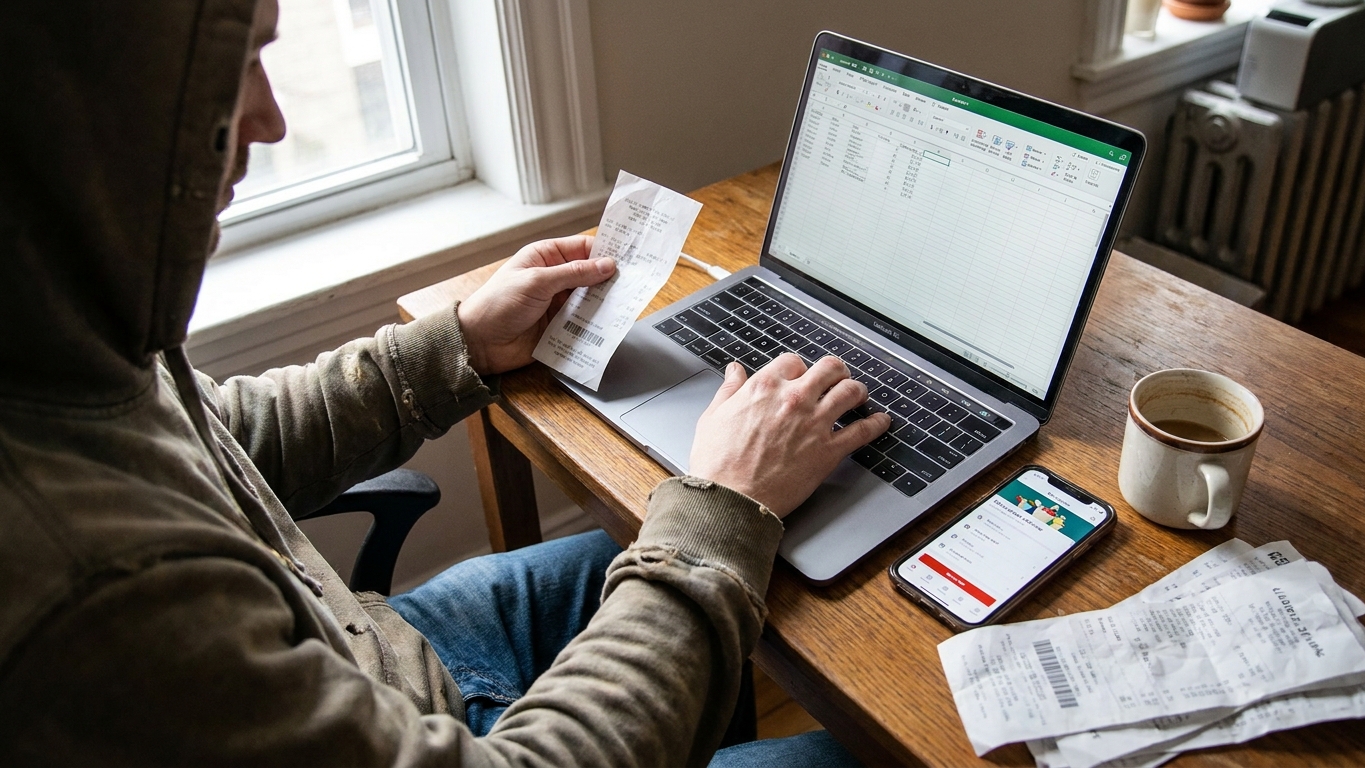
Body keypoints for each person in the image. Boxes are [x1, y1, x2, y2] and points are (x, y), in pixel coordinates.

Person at [0, 0, 889, 765]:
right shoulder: (93, 591)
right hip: (427, 721)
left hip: (378, 650)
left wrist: (457, 343)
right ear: (86, 112)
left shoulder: (61, 333)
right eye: (234, 69)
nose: (269, 122)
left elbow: (219, 445)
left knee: (661, 556)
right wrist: (723, 507)